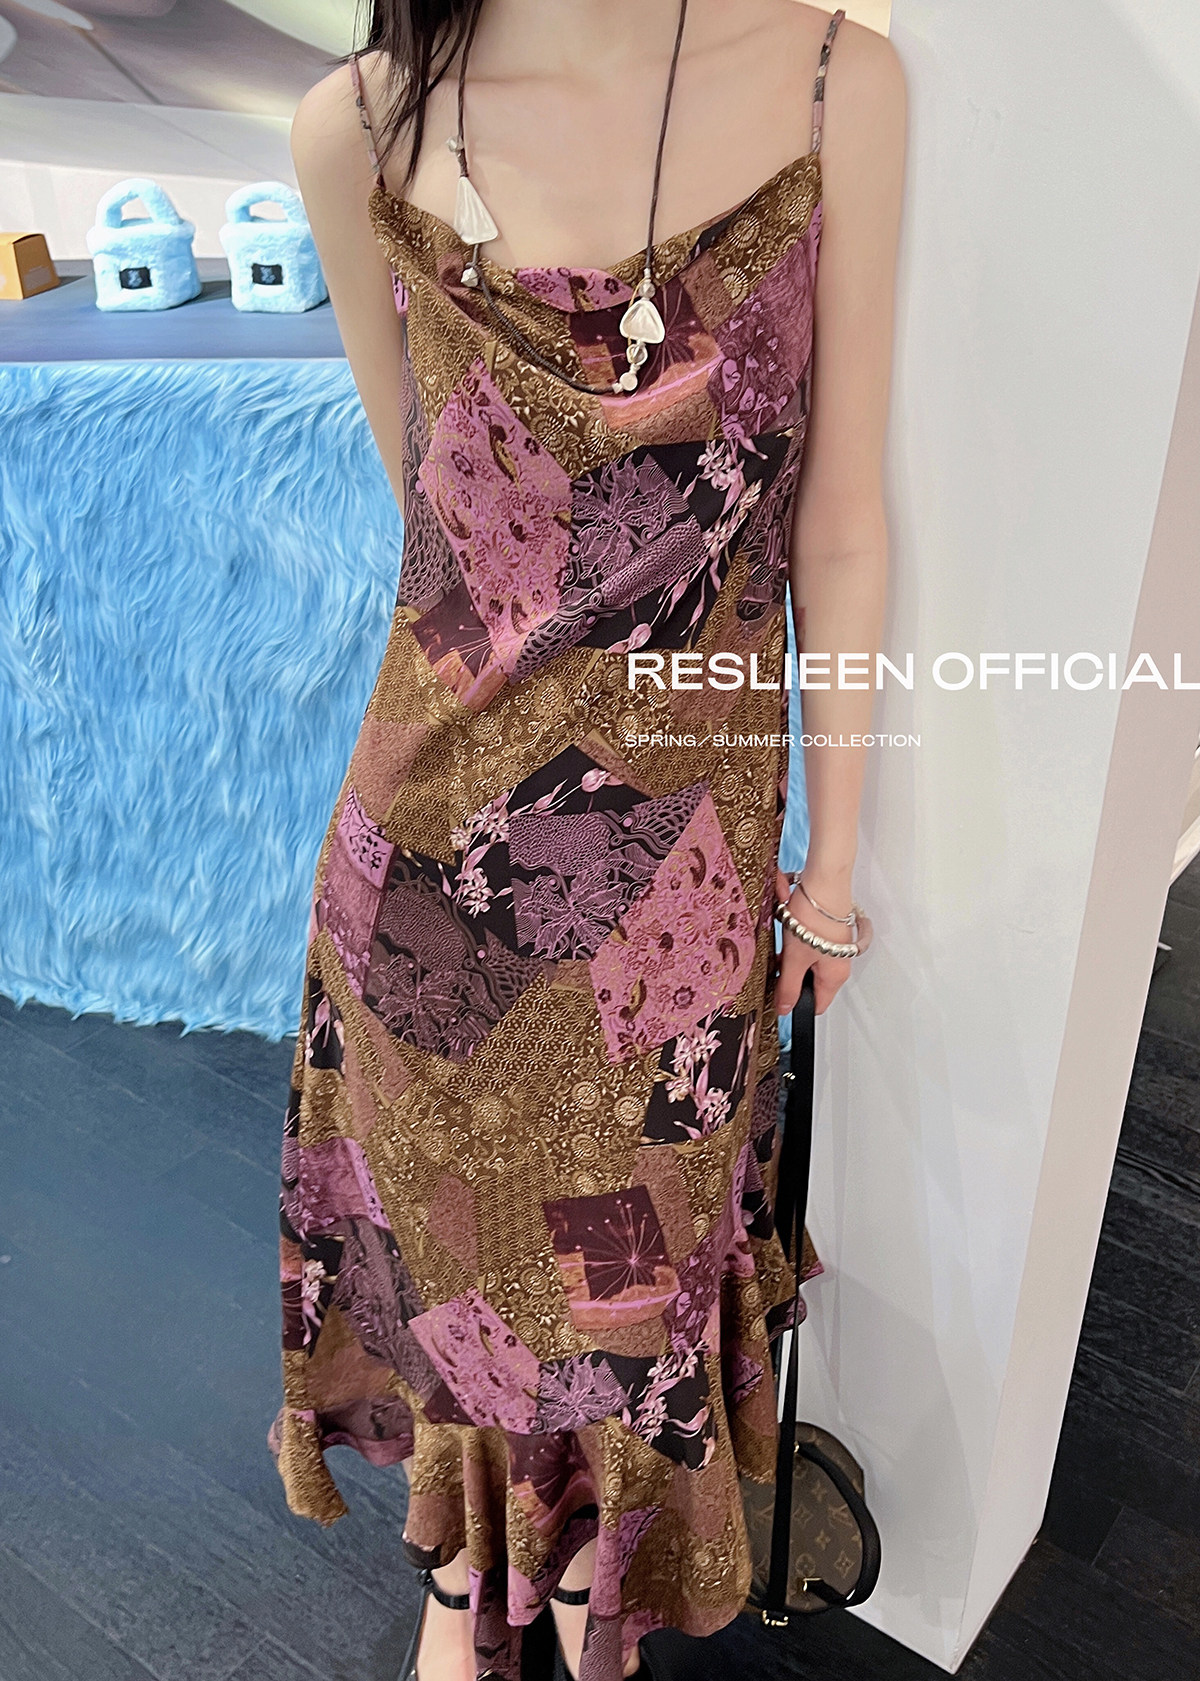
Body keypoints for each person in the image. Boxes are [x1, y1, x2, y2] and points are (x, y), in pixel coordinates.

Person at [275, 4, 905, 1678]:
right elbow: (436, 532)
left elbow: (841, 521)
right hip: (430, 897)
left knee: (627, 1342)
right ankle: (472, 1591)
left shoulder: (834, 83)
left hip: (678, 918)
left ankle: (572, 1597)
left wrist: (835, 866)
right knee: (474, 1352)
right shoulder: (358, 129)